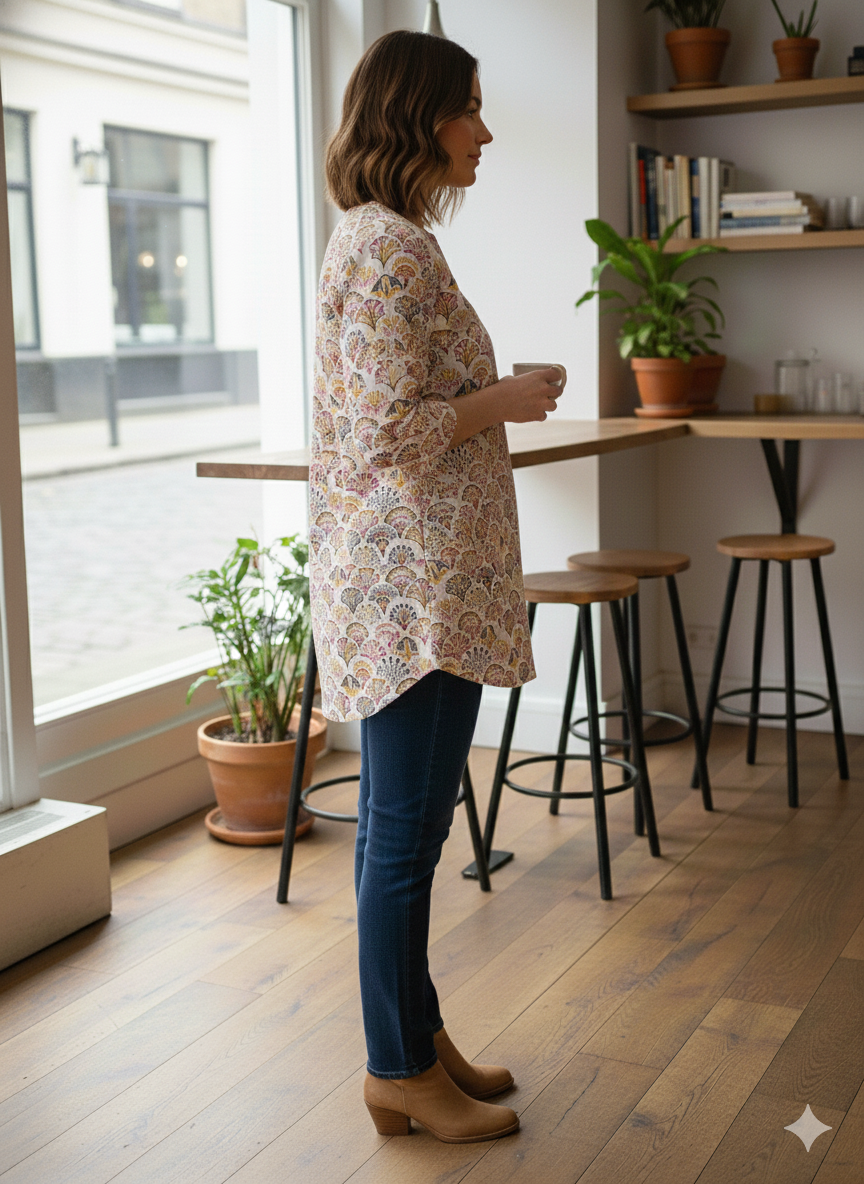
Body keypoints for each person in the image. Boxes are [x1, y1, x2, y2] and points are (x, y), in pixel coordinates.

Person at [309, 29, 566, 1144]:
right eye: (468, 106)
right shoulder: (382, 248)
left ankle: (416, 1034)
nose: (485, 129)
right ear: (416, 117)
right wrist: (501, 400)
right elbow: (381, 436)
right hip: (409, 592)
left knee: (405, 828)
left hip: (428, 583)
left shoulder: (393, 241)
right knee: (406, 832)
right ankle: (396, 1065)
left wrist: (496, 395)